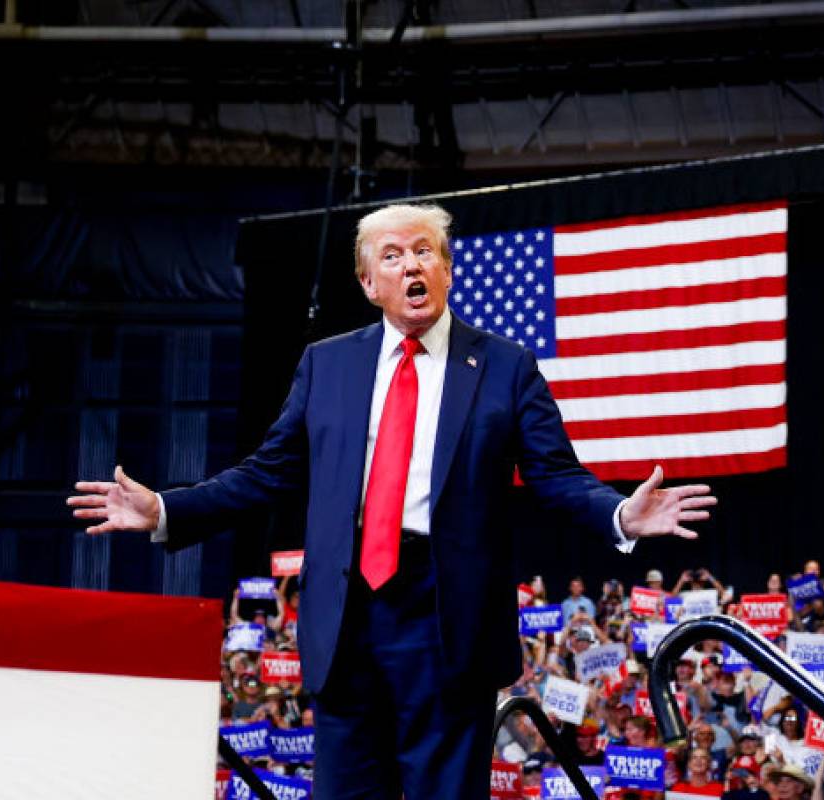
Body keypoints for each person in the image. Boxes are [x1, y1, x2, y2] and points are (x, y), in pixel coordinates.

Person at [66, 203, 717, 798]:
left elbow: (554, 475)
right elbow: (266, 474)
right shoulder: (327, 365)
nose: (412, 264)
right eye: (393, 254)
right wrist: (167, 510)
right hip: (347, 617)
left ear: (447, 270)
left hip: (446, 620)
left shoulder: (503, 366)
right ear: (368, 283)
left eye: (425, 251)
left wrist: (618, 514)